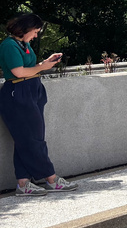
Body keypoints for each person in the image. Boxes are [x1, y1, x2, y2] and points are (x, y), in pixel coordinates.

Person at [0, 13, 79, 196]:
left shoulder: (23, 44)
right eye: (35, 31)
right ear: (25, 28)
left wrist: (44, 63)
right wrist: (41, 68)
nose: (36, 36)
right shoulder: (9, 45)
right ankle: (51, 178)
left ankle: (24, 183)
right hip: (17, 93)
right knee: (33, 140)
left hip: (31, 91)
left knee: (26, 139)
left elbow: (29, 68)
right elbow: (18, 72)